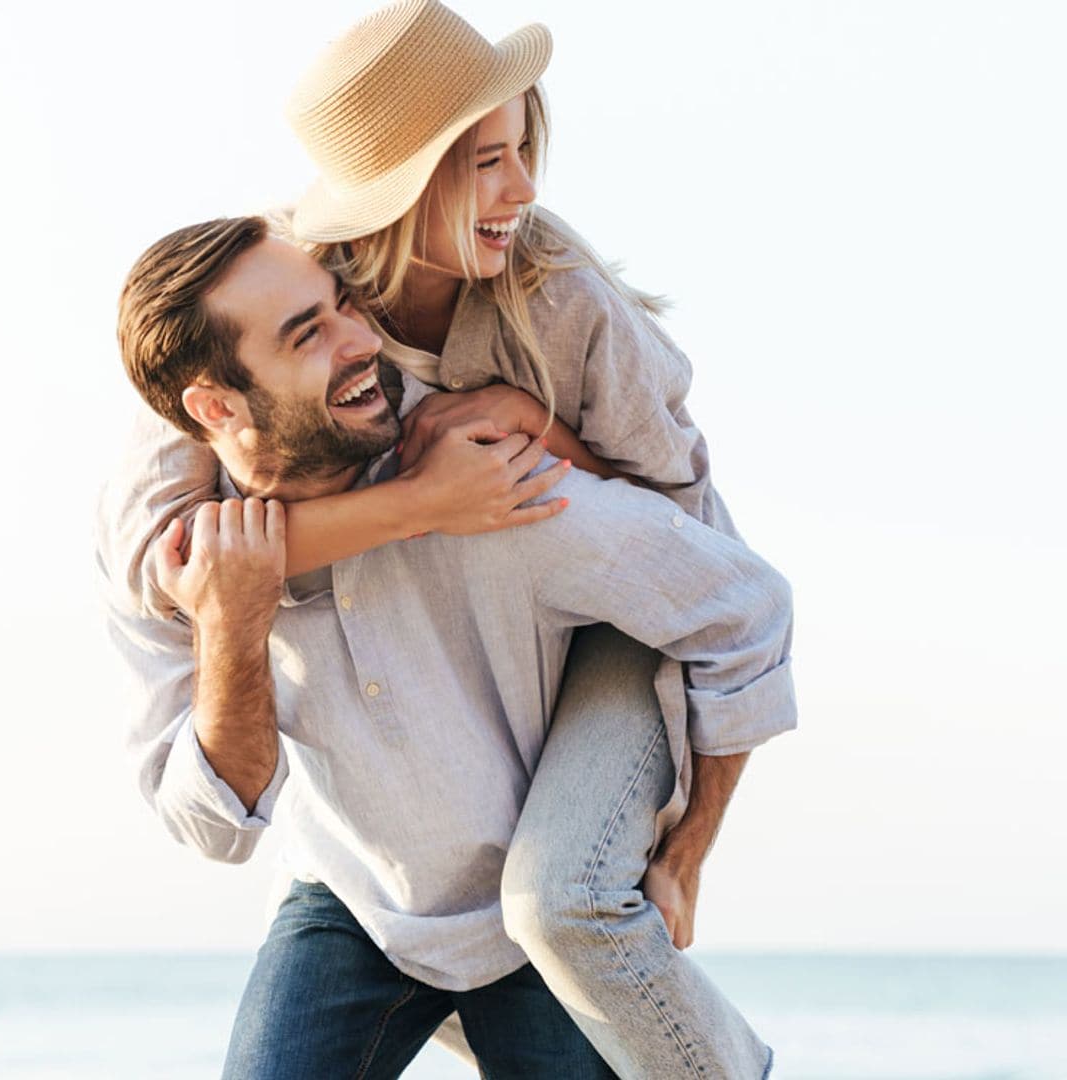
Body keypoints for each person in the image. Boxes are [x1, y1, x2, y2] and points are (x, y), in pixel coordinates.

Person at [99, 2, 797, 1075]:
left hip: (628, 605)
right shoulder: (277, 294)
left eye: (523, 148)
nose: (522, 188)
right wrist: (406, 509)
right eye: (484, 162)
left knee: (559, 897)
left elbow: (692, 530)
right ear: (393, 194)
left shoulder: (557, 305)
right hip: (364, 892)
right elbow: (171, 562)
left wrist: (549, 438)